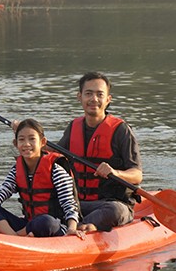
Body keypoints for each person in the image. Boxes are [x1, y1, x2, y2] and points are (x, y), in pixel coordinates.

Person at [0, 118, 81, 237]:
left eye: (32, 139)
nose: (26, 144)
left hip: (54, 226)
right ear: (16, 144)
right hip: (28, 224)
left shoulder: (56, 170)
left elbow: (69, 204)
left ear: (43, 142)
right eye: (21, 140)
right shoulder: (16, 170)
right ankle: (14, 236)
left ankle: (17, 236)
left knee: (45, 221)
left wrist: (72, 228)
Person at [57, 71, 142, 232]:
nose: (93, 99)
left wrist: (115, 172)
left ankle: (78, 227)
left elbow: (137, 175)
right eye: (88, 93)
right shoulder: (73, 127)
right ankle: (73, 226)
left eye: (99, 94)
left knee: (115, 210)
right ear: (79, 97)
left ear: (108, 99)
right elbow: (52, 153)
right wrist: (27, 134)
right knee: (53, 204)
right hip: (78, 204)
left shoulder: (121, 131)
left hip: (110, 204)